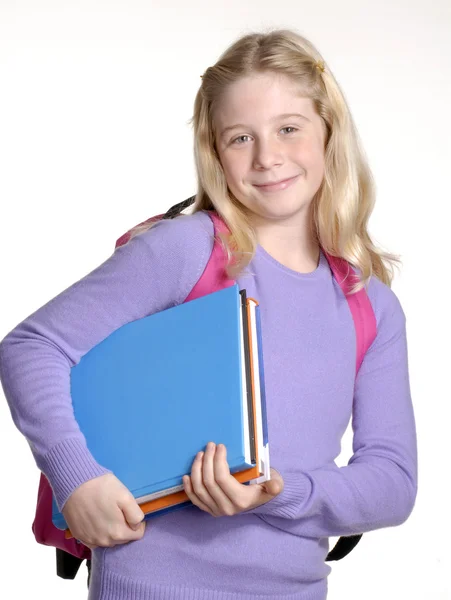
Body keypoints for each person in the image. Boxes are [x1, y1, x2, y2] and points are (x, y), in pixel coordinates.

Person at [0, 28, 417, 600]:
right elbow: (33, 347)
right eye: (240, 137)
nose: (268, 157)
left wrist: (281, 491)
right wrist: (77, 478)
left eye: (288, 129)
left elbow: (392, 483)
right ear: (215, 151)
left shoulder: (371, 305)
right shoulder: (187, 250)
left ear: (330, 132)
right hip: (149, 585)